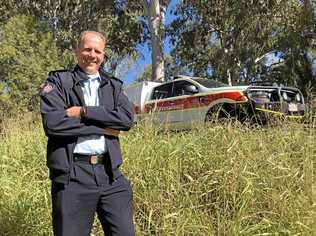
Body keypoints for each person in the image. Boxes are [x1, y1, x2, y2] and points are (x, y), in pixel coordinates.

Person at [40, 31, 135, 236]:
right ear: (77, 51)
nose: (92, 55)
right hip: (73, 175)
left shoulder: (113, 86)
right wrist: (105, 127)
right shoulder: (58, 82)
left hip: (111, 175)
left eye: (98, 51)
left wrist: (83, 112)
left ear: (103, 55)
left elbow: (126, 120)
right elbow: (53, 124)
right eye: (87, 49)